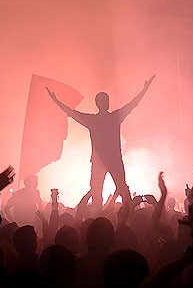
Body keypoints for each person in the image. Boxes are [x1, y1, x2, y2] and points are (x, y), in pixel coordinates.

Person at [47, 75, 155, 214]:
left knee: (100, 192)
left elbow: (71, 113)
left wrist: (56, 101)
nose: (106, 103)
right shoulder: (113, 117)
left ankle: (102, 217)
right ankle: (127, 217)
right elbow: (133, 104)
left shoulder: (95, 120)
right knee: (119, 189)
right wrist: (145, 89)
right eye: (105, 101)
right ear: (101, 104)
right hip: (112, 159)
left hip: (102, 161)